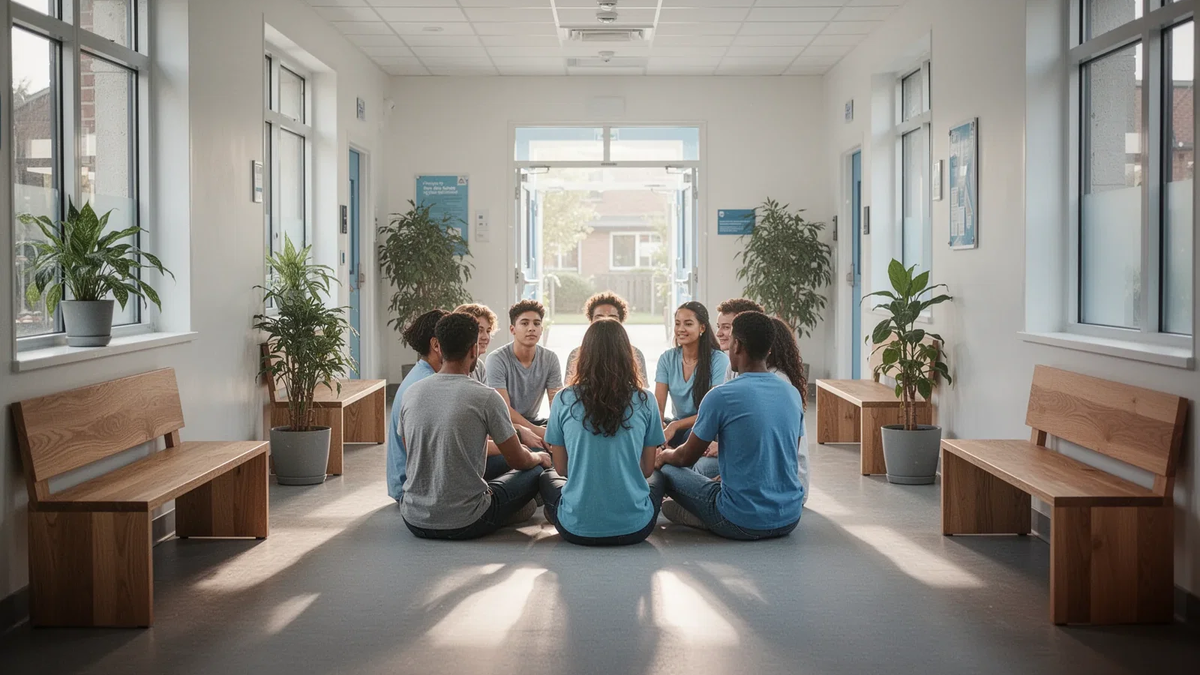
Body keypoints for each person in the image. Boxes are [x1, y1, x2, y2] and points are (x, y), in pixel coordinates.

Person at [399, 312, 553, 540]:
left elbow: (410, 449)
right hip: (467, 521)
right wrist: (539, 458)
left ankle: (515, 508)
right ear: (474, 350)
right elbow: (517, 460)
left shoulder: (411, 393)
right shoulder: (486, 397)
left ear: (438, 347)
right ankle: (514, 510)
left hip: (413, 519)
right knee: (536, 466)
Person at [656, 312, 804, 541]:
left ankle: (704, 518)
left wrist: (664, 456)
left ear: (738, 345)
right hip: (789, 518)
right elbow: (786, 455)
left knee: (667, 468)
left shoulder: (722, 395)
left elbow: (685, 457)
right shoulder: (792, 392)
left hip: (740, 521)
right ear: (769, 350)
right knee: (710, 475)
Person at [539, 320, 667, 546]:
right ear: (628, 355)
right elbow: (647, 469)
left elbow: (561, 468)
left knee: (546, 477)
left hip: (576, 530)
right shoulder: (646, 400)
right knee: (661, 475)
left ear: (584, 355)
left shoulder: (563, 399)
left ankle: (565, 511)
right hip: (636, 529)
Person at [386, 309, 447, 501]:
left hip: (407, 482)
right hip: (412, 488)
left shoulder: (422, 374)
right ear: (436, 344)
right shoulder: (427, 385)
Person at [654, 301, 729, 448]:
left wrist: (674, 426)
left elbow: (712, 412)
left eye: (688, 324)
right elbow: (659, 407)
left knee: (689, 436)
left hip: (706, 426)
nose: (680, 329)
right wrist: (658, 438)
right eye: (677, 323)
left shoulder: (719, 360)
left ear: (702, 327)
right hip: (678, 426)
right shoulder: (667, 358)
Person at [486, 300, 563, 440]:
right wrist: (537, 432)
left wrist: (556, 432)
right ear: (512, 329)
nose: (531, 328)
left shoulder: (550, 358)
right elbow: (503, 410)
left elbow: (557, 405)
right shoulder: (497, 359)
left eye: (537, 323)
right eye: (524, 323)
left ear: (541, 329)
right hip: (505, 425)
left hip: (535, 422)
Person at [564, 292, 648, 382]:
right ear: (591, 321)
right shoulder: (577, 354)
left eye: (612, 318)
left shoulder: (635, 354)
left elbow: (640, 387)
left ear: (620, 322)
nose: (605, 322)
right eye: (599, 317)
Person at [715, 298, 764, 383]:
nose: (718, 333)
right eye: (718, 327)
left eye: (726, 327)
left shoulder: (773, 373)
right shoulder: (731, 367)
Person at [454, 303, 499, 384]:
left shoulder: (479, 366)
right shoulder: (452, 366)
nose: (485, 337)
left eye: (488, 331)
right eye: (480, 330)